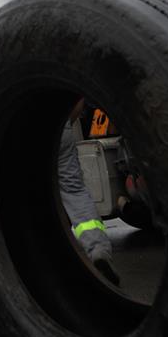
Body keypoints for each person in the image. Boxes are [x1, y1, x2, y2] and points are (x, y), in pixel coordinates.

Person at [58, 99, 120, 286]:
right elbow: (77, 101)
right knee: (74, 190)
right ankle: (98, 249)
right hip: (60, 129)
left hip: (19, 126)